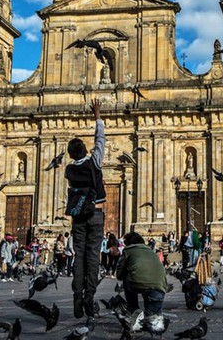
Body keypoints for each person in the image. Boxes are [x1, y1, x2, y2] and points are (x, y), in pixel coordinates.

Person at [65, 98, 106, 324]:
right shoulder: (95, 163)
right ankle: (89, 296)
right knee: (93, 256)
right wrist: (97, 117)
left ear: (72, 155)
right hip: (96, 214)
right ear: (84, 150)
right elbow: (100, 141)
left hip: (78, 217)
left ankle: (77, 296)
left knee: (78, 256)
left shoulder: (70, 169)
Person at [116, 231, 168, 325]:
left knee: (128, 279)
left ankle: (133, 310)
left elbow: (119, 274)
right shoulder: (151, 251)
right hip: (159, 288)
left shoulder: (128, 250)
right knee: (153, 321)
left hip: (136, 284)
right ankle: (150, 319)